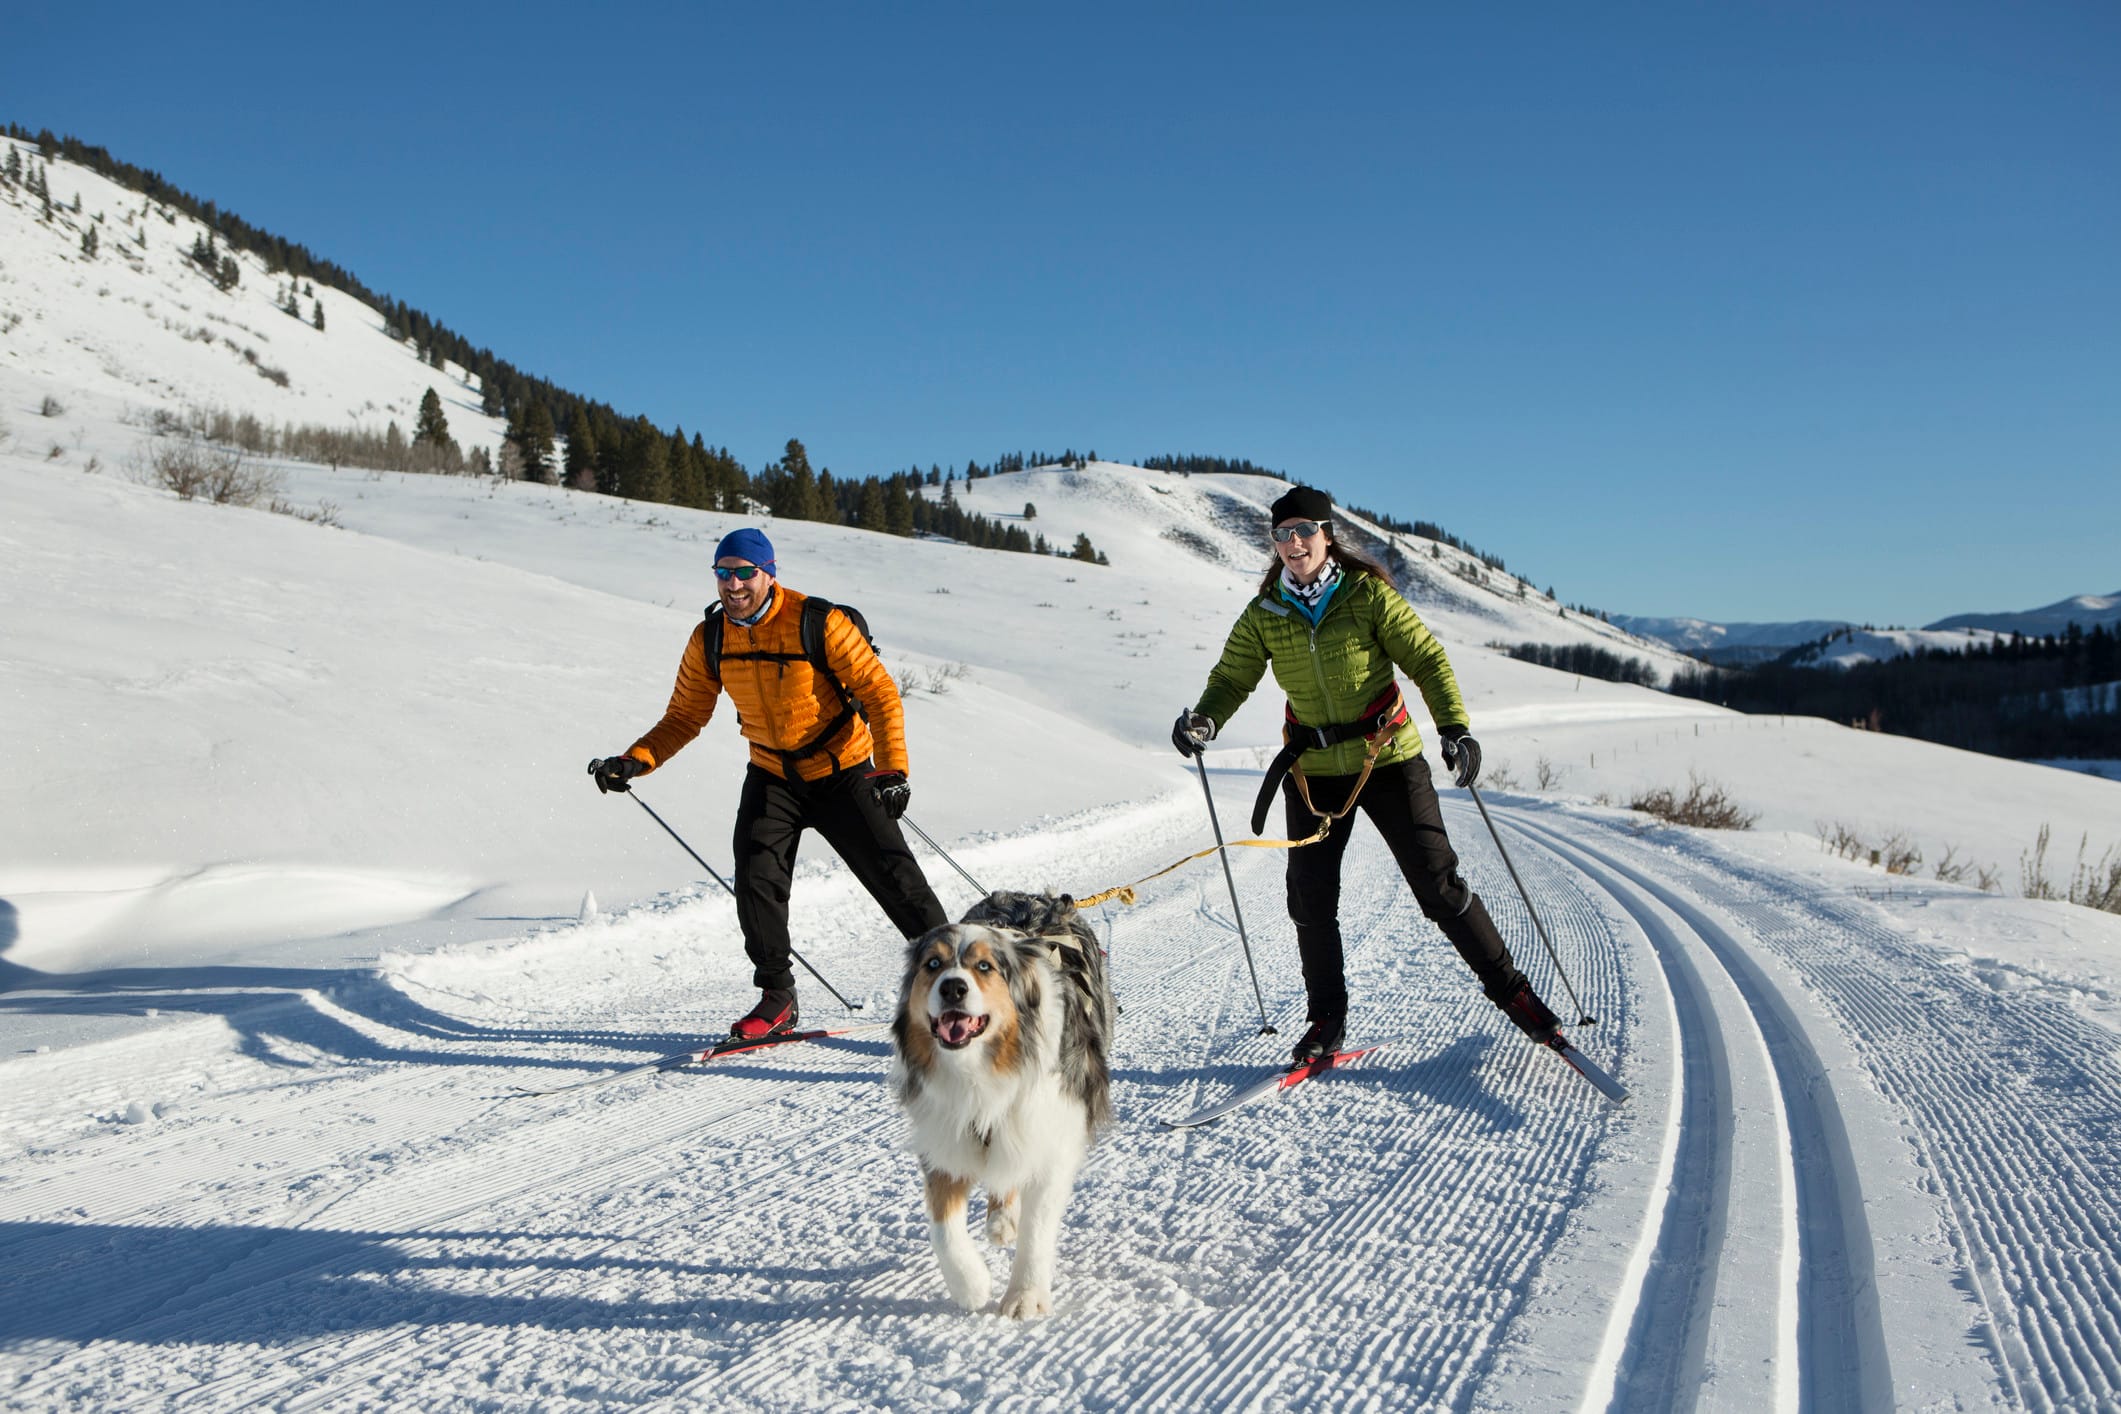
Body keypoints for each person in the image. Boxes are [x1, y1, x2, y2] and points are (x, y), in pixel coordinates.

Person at [1171, 486, 1563, 1064]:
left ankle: (1516, 995)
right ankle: (1326, 1019)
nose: (1294, 542)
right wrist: (1205, 719)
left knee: (1437, 885)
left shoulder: (1366, 595)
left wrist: (1454, 727)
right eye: (1283, 533)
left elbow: (1427, 659)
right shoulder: (1265, 613)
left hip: (1389, 760)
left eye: (1305, 530)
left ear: (1327, 535)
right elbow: (1232, 678)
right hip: (1313, 771)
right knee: (1310, 898)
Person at [589, 527, 947, 1039]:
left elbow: (880, 692)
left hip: (843, 770)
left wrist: (892, 769)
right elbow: (685, 715)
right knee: (756, 880)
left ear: (769, 574)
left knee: (898, 882)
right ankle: (778, 997)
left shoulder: (817, 622)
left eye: (745, 573)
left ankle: (955, 982)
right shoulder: (710, 638)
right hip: (773, 774)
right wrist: (635, 760)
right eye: (723, 573)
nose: (733, 584)